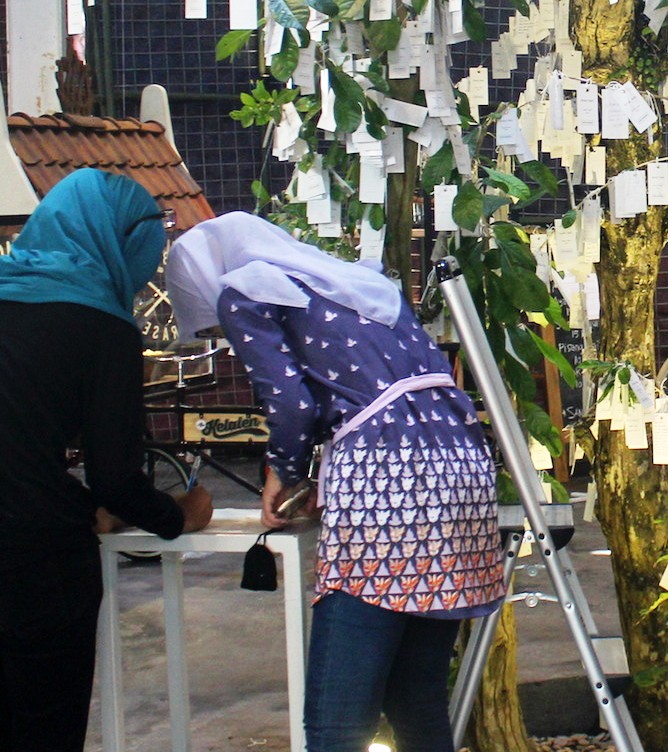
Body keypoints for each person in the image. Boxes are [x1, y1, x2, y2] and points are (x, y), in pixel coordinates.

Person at [0, 169, 214, 752]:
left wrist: (84, 504)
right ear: (121, 239)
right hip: (29, 562)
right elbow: (116, 477)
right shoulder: (103, 326)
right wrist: (179, 515)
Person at [166, 211, 506, 752]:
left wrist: (285, 475)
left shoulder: (244, 290)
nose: (224, 335)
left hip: (386, 486)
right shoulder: (356, 283)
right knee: (416, 699)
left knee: (336, 720)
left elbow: (292, 405)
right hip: (463, 469)